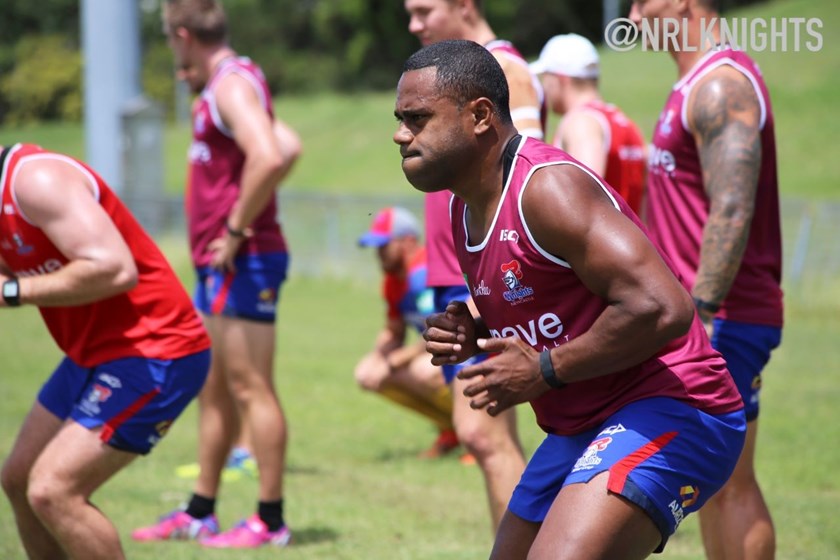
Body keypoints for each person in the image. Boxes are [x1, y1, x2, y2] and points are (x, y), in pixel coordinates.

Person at [395, 39, 747, 559]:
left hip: (676, 406)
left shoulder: (547, 189)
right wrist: (476, 327)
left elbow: (664, 307)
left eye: (418, 118)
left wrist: (543, 368)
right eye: (400, 118)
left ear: (480, 115)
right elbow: (549, 298)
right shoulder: (463, 208)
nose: (401, 135)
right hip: (584, 422)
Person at [132, 0, 301, 548]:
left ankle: (269, 521)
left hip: (243, 259)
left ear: (183, 35)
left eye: (170, 40)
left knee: (252, 389)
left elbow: (271, 156)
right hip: (223, 262)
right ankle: (200, 510)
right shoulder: (231, 81)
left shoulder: (229, 84)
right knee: (215, 391)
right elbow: (288, 143)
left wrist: (234, 227)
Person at [0, 143, 211, 560]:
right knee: (19, 479)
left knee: (53, 490)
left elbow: (114, 267)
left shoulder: (35, 181)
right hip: (92, 354)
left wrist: (11, 291)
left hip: (156, 349)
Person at [630, 1, 784, 558]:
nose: (633, 12)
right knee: (717, 486)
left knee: (730, 484)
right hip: (703, 316)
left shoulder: (720, 85)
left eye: (642, 0)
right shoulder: (694, 82)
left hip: (722, 317)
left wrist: (701, 313)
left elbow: (733, 207)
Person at [404, 0, 543, 532]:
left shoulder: (503, 68)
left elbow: (528, 164)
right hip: (456, 276)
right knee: (486, 435)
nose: (414, 25)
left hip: (484, 276)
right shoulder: (451, 72)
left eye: (424, 11)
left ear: (464, 5)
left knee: (487, 434)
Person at [355, 206, 461, 459]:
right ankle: (452, 429)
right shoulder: (393, 280)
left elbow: (449, 329)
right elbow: (394, 330)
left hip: (465, 350)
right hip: (438, 349)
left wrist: (399, 359)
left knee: (424, 371)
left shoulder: (425, 273)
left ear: (409, 241)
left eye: (384, 246)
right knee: (367, 374)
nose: (378, 254)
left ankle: (479, 428)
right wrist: (379, 355)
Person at [530, 33, 647, 215]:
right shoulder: (624, 122)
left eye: (546, 78)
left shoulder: (581, 123)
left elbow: (583, 196)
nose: (544, 87)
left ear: (561, 79)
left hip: (599, 242)